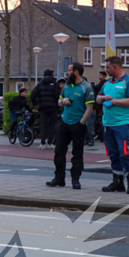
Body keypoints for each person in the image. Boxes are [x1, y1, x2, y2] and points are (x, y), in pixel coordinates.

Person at [47, 62, 94, 190]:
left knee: (77, 153)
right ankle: (59, 178)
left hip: (77, 124)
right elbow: (59, 101)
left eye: (69, 70)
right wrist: (63, 101)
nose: (67, 73)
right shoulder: (67, 86)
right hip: (64, 122)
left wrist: (81, 123)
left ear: (76, 72)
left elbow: (89, 108)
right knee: (59, 152)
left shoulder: (86, 87)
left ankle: (75, 179)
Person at [97, 55, 129, 194]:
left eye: (107, 67)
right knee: (113, 153)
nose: (105, 69)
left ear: (115, 67)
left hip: (123, 123)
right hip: (108, 124)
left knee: (125, 153)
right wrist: (103, 98)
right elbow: (97, 98)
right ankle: (117, 181)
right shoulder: (107, 83)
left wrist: (114, 101)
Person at [30, 70, 59, 149]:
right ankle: (50, 142)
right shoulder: (55, 85)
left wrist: (36, 104)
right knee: (52, 125)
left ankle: (43, 143)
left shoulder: (39, 85)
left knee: (43, 125)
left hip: (43, 108)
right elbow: (58, 95)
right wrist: (57, 105)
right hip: (53, 107)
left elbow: (33, 95)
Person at [92, 70, 108, 142]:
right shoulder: (101, 83)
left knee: (99, 119)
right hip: (98, 104)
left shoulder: (104, 84)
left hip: (101, 105)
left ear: (104, 76)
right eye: (99, 75)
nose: (99, 77)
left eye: (101, 75)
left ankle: (101, 135)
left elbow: (96, 88)